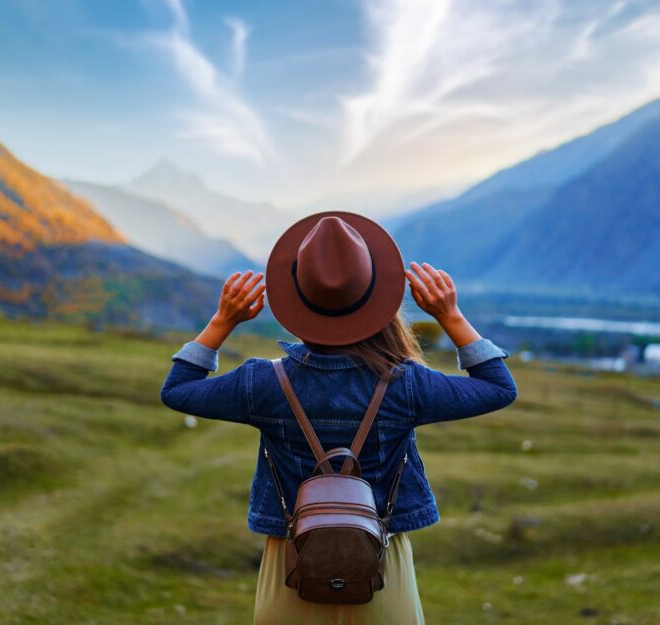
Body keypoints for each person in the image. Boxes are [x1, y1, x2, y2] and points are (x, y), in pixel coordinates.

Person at [160, 211, 517, 624]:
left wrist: (223, 320)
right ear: (374, 294)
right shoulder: (406, 385)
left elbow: (177, 389)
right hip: (381, 571)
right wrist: (450, 316)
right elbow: (499, 387)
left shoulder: (263, 383)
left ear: (297, 297)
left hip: (290, 568)